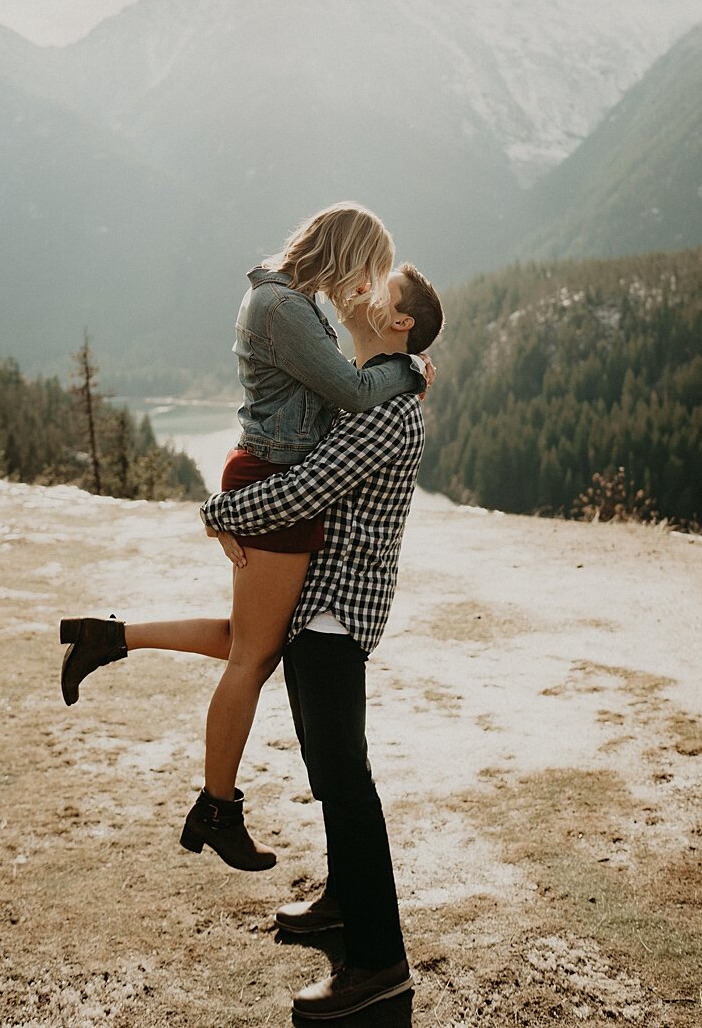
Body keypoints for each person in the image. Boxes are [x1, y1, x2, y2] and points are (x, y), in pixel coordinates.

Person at [59, 203, 428, 871]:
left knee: (245, 638)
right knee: (253, 656)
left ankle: (110, 637)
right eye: (368, 270)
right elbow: (348, 388)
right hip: (277, 482)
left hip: (274, 473)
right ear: (347, 254)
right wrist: (409, 371)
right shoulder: (284, 307)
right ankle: (215, 806)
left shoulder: (289, 301)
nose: (366, 287)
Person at [200, 262, 444, 1021]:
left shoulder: (383, 409)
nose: (364, 293)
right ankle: (345, 898)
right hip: (321, 606)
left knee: (345, 775)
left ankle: (379, 962)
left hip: (337, 607)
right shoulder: (376, 387)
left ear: (400, 323)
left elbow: (307, 489)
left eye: (382, 291)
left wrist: (219, 510)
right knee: (328, 767)